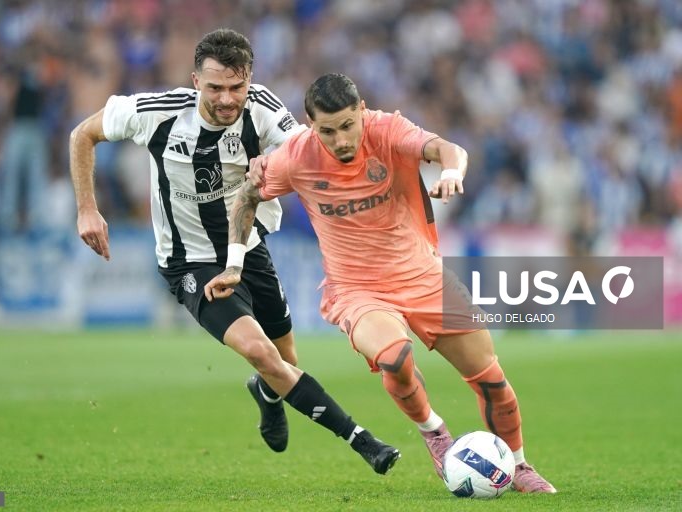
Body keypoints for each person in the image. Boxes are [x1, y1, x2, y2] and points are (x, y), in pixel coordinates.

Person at [205, 73, 557, 493]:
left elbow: (450, 149)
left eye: (348, 126)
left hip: (423, 276)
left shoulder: (389, 131)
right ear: (310, 124)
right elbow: (246, 197)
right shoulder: (295, 157)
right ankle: (436, 435)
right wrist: (234, 264)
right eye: (327, 131)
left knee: (492, 381)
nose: (340, 140)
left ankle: (518, 466)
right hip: (357, 290)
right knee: (394, 357)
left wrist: (450, 171)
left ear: (362, 111)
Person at [68, 31, 399, 475]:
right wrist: (88, 209)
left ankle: (265, 394)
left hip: (249, 248)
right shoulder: (155, 112)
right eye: (215, 88)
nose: (227, 99)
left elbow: (306, 152)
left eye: (236, 87)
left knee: (285, 364)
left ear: (249, 81)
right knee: (263, 354)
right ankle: (363, 441)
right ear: (195, 81)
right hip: (191, 263)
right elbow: (81, 135)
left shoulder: (263, 107)